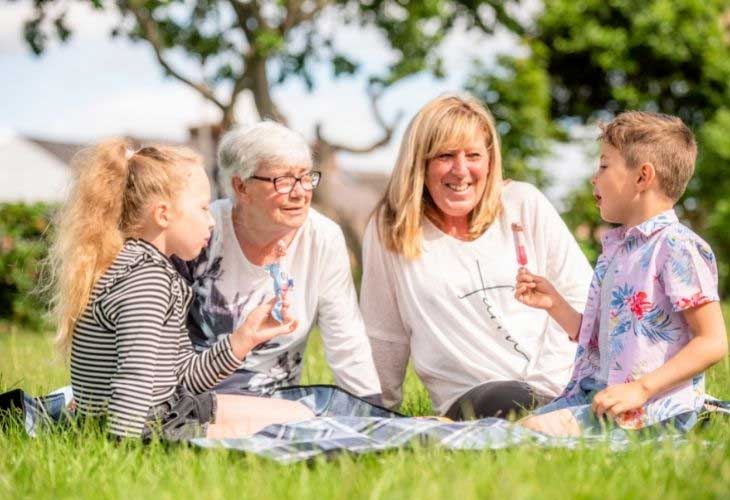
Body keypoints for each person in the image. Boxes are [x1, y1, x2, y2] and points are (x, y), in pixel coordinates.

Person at [49, 140, 315, 439]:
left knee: (300, 415)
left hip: (166, 411)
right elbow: (134, 381)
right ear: (163, 214)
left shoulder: (150, 269)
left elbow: (181, 380)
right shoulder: (145, 281)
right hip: (149, 426)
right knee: (292, 426)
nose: (212, 221)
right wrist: (121, 450)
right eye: (203, 208)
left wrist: (243, 339)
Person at [360, 93, 593, 419]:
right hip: (473, 400)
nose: (461, 170)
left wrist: (548, 389)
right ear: (420, 163)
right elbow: (383, 334)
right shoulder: (391, 228)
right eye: (444, 156)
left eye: (473, 155)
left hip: (556, 387)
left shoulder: (524, 204)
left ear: (490, 160)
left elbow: (582, 298)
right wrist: (373, 417)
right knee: (507, 399)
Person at [516, 111, 728, 436]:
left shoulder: (677, 247)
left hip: (651, 410)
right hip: (601, 397)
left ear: (642, 177)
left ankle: (703, 414)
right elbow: (602, 342)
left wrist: (641, 389)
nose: (593, 177)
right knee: (518, 429)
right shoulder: (617, 249)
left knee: (531, 433)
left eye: (603, 165)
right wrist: (554, 304)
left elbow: (712, 341)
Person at [173, 121, 381, 401]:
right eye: (282, 181)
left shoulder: (323, 237)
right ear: (241, 187)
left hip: (278, 400)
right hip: (193, 398)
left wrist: (370, 410)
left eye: (305, 177)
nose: (300, 193)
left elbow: (346, 340)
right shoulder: (202, 231)